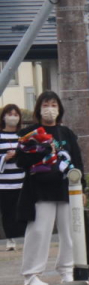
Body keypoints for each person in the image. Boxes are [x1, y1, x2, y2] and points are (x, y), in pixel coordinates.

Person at [14, 92, 85, 285]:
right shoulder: (30, 133)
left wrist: (83, 188)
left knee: (70, 232)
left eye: (54, 104)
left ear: (59, 109)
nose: (50, 108)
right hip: (40, 190)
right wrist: (41, 152)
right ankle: (31, 274)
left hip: (66, 189)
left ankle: (67, 270)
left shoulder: (66, 133)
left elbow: (77, 161)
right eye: (46, 104)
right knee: (39, 231)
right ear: (39, 108)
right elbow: (21, 161)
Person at [0, 104, 27, 251]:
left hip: (21, 181)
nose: (12, 117)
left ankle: (21, 237)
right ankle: (10, 239)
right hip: (3, 183)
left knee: (21, 210)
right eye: (9, 114)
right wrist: (4, 158)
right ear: (3, 117)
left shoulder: (22, 136)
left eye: (16, 114)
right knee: (7, 212)